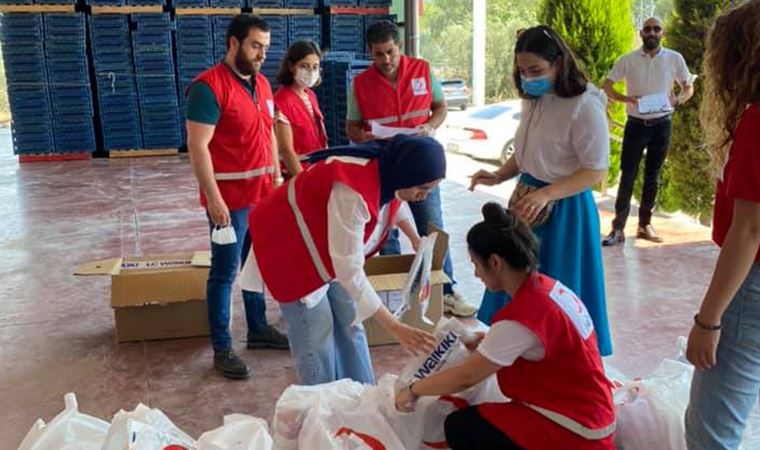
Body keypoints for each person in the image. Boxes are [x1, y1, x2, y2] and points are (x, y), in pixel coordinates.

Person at [394, 203, 616, 450]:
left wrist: (413, 390)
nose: (476, 273)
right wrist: (489, 344)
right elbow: (539, 346)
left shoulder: (522, 316)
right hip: (593, 413)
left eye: (475, 264)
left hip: (575, 430)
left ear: (495, 262)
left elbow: (465, 377)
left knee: (462, 427)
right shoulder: (549, 288)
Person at [239, 135, 444, 385]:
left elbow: (394, 202)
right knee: (317, 336)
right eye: (422, 188)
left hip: (326, 242)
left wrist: (413, 236)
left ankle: (362, 398)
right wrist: (395, 327)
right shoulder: (353, 190)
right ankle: (321, 410)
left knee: (351, 321)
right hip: (290, 246)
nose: (424, 195)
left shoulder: (390, 172)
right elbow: (349, 270)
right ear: (406, 174)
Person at [470, 25, 613, 356]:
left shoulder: (584, 104)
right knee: (514, 283)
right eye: (522, 71)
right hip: (526, 200)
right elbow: (527, 151)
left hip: (565, 209)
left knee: (554, 290)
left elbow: (595, 169)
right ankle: (513, 353)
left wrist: (547, 193)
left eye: (535, 70)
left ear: (559, 63)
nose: (528, 77)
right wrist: (499, 175)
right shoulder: (533, 98)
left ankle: (557, 360)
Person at [346, 19, 477, 318]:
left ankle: (446, 292)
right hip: (383, 172)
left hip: (422, 169)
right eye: (378, 54)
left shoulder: (423, 70)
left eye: (390, 52)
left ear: (400, 47)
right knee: (386, 229)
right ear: (370, 52)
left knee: (432, 227)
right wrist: (363, 137)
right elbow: (352, 129)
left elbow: (440, 107)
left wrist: (430, 126)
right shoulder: (361, 84)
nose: (385, 60)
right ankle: (396, 297)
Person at [186, 14, 288, 380]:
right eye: (255, 45)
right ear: (233, 43)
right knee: (225, 272)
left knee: (255, 267)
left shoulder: (261, 85)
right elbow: (198, 147)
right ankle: (222, 347)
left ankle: (258, 330)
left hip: (261, 196)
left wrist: (276, 177)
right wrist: (214, 200)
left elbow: (270, 134)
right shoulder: (208, 88)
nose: (262, 54)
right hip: (229, 204)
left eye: (265, 47)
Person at [684, 2, 760, 449]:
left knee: (712, 432)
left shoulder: (756, 119)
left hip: (751, 296)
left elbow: (749, 231)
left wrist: (708, 321)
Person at [601, 16, 694, 246]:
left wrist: (678, 99)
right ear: (641, 33)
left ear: (663, 34)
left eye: (656, 29)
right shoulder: (628, 60)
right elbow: (607, 85)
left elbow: (688, 86)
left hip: (662, 124)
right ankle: (618, 228)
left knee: (653, 177)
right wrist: (625, 99)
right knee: (628, 176)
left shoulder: (675, 59)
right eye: (647, 29)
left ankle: (645, 225)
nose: (652, 33)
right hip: (635, 125)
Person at [273, 40, 328, 178]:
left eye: (315, 67)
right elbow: (286, 150)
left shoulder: (310, 96)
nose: (310, 72)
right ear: (291, 66)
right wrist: (303, 181)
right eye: (305, 66)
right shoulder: (281, 102)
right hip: (295, 175)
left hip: (316, 168)